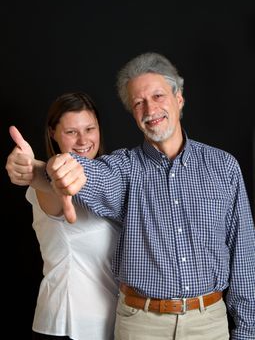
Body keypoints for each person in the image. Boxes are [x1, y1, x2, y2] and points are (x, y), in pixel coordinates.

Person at [44, 52, 255, 340]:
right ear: (133, 114)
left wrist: (247, 330)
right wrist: (59, 167)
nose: (150, 108)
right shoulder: (124, 168)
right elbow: (94, 176)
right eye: (138, 103)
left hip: (209, 323)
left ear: (178, 99)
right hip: (141, 325)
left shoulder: (224, 166)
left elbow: (243, 255)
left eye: (157, 96)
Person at [5, 92, 120, 340]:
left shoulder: (109, 183)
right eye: (70, 132)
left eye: (90, 128)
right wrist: (36, 170)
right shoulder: (47, 189)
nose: (83, 140)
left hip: (113, 323)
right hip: (68, 325)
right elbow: (52, 182)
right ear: (53, 134)